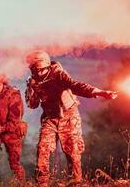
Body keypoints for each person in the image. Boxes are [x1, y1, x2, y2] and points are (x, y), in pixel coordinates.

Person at [25, 51, 117, 187]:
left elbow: (76, 86)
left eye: (41, 70)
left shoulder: (58, 74)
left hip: (68, 116)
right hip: (50, 118)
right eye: (36, 70)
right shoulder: (32, 80)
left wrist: (100, 92)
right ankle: (42, 183)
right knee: (42, 150)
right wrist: (31, 88)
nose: (39, 73)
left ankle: (76, 183)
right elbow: (32, 105)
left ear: (47, 66)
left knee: (72, 152)